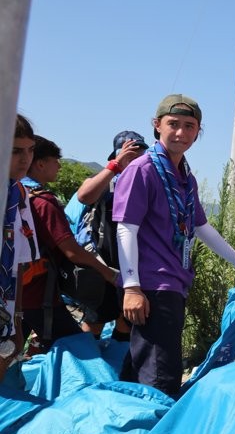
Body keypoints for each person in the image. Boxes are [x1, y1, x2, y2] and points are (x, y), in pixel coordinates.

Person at [113, 95, 235, 397]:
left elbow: (201, 227)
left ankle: (130, 425)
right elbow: (126, 228)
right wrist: (131, 287)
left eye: (189, 126)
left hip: (173, 281)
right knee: (161, 373)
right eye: (173, 124)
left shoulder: (185, 178)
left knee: (145, 361)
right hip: (151, 285)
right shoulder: (143, 170)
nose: (181, 133)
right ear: (157, 126)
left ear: (198, 131)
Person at [20, 136, 119, 349]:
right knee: (76, 347)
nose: (59, 166)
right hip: (39, 294)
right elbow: (71, 251)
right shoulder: (43, 202)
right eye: (55, 160)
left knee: (10, 348)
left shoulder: (16, 195)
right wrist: (107, 273)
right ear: (40, 163)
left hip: (14, 290)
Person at [74, 129, 149, 337]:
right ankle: (86, 368)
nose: (134, 160)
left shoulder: (144, 182)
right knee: (95, 321)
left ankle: (118, 367)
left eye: (139, 155)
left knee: (126, 322)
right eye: (129, 154)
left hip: (133, 267)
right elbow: (84, 196)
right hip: (102, 266)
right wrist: (116, 165)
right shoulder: (106, 180)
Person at [0, 115, 42, 380]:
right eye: (16, 151)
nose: (25, 159)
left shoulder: (19, 195)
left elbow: (18, 266)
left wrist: (16, 324)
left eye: (30, 150)